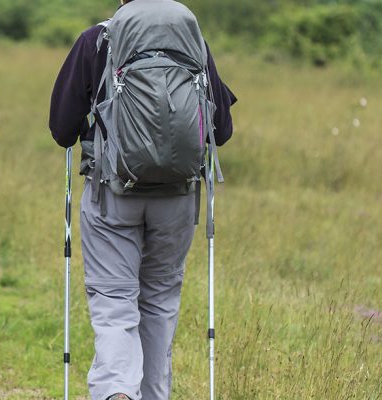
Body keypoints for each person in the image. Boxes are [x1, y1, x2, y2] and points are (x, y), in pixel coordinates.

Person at [48, 0, 237, 399]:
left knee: (115, 301)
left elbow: (62, 129)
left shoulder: (96, 39)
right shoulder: (192, 42)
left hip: (110, 193)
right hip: (178, 197)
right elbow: (221, 131)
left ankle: (117, 391)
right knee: (160, 301)